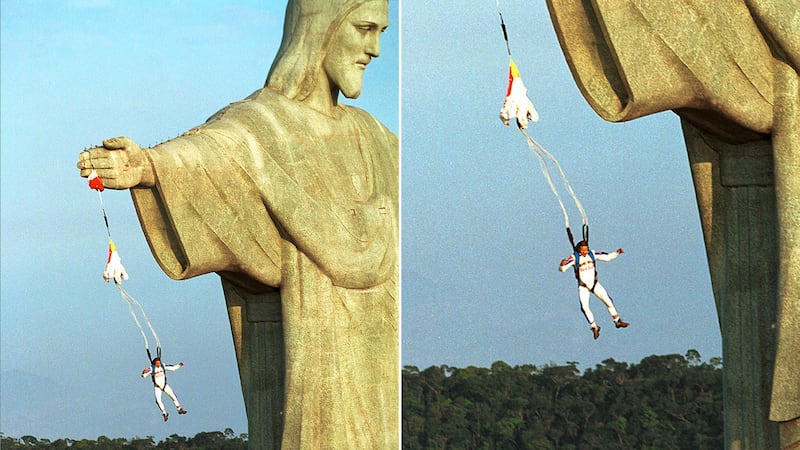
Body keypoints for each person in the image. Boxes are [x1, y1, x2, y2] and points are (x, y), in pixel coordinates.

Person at [77, 1, 398, 447]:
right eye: (364, 28)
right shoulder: (261, 125)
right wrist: (148, 166)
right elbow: (214, 154)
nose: (375, 48)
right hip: (310, 369)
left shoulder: (377, 138)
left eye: (381, 31)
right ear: (319, 28)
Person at [559, 240, 628, 339]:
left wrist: (617, 253)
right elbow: (562, 269)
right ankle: (594, 327)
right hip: (583, 286)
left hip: (594, 284)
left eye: (586, 250)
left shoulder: (592, 254)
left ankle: (617, 321)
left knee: (608, 301)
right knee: (585, 307)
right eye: (583, 250)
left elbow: (607, 257)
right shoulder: (574, 258)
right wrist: (562, 265)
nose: (585, 252)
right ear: (579, 250)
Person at [141, 357, 187, 422]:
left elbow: (173, 368)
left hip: (165, 385)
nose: (158, 364)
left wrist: (179, 365)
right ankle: (164, 413)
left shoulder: (163, 366)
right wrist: (143, 373)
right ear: (155, 363)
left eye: (159, 363)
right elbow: (144, 376)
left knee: (173, 396)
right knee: (158, 401)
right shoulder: (151, 368)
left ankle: (179, 409)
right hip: (157, 387)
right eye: (157, 363)